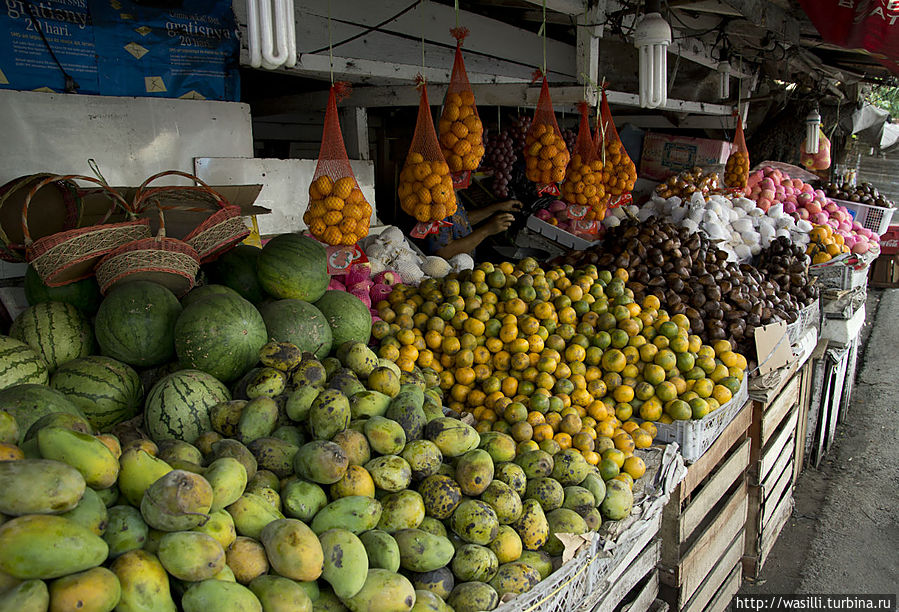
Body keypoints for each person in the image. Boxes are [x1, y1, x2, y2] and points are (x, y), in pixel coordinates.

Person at [419, 199, 521, 259]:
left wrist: (497, 207)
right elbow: (444, 251)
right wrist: (487, 230)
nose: (473, 172)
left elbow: (459, 220)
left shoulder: (450, 193)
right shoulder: (437, 202)